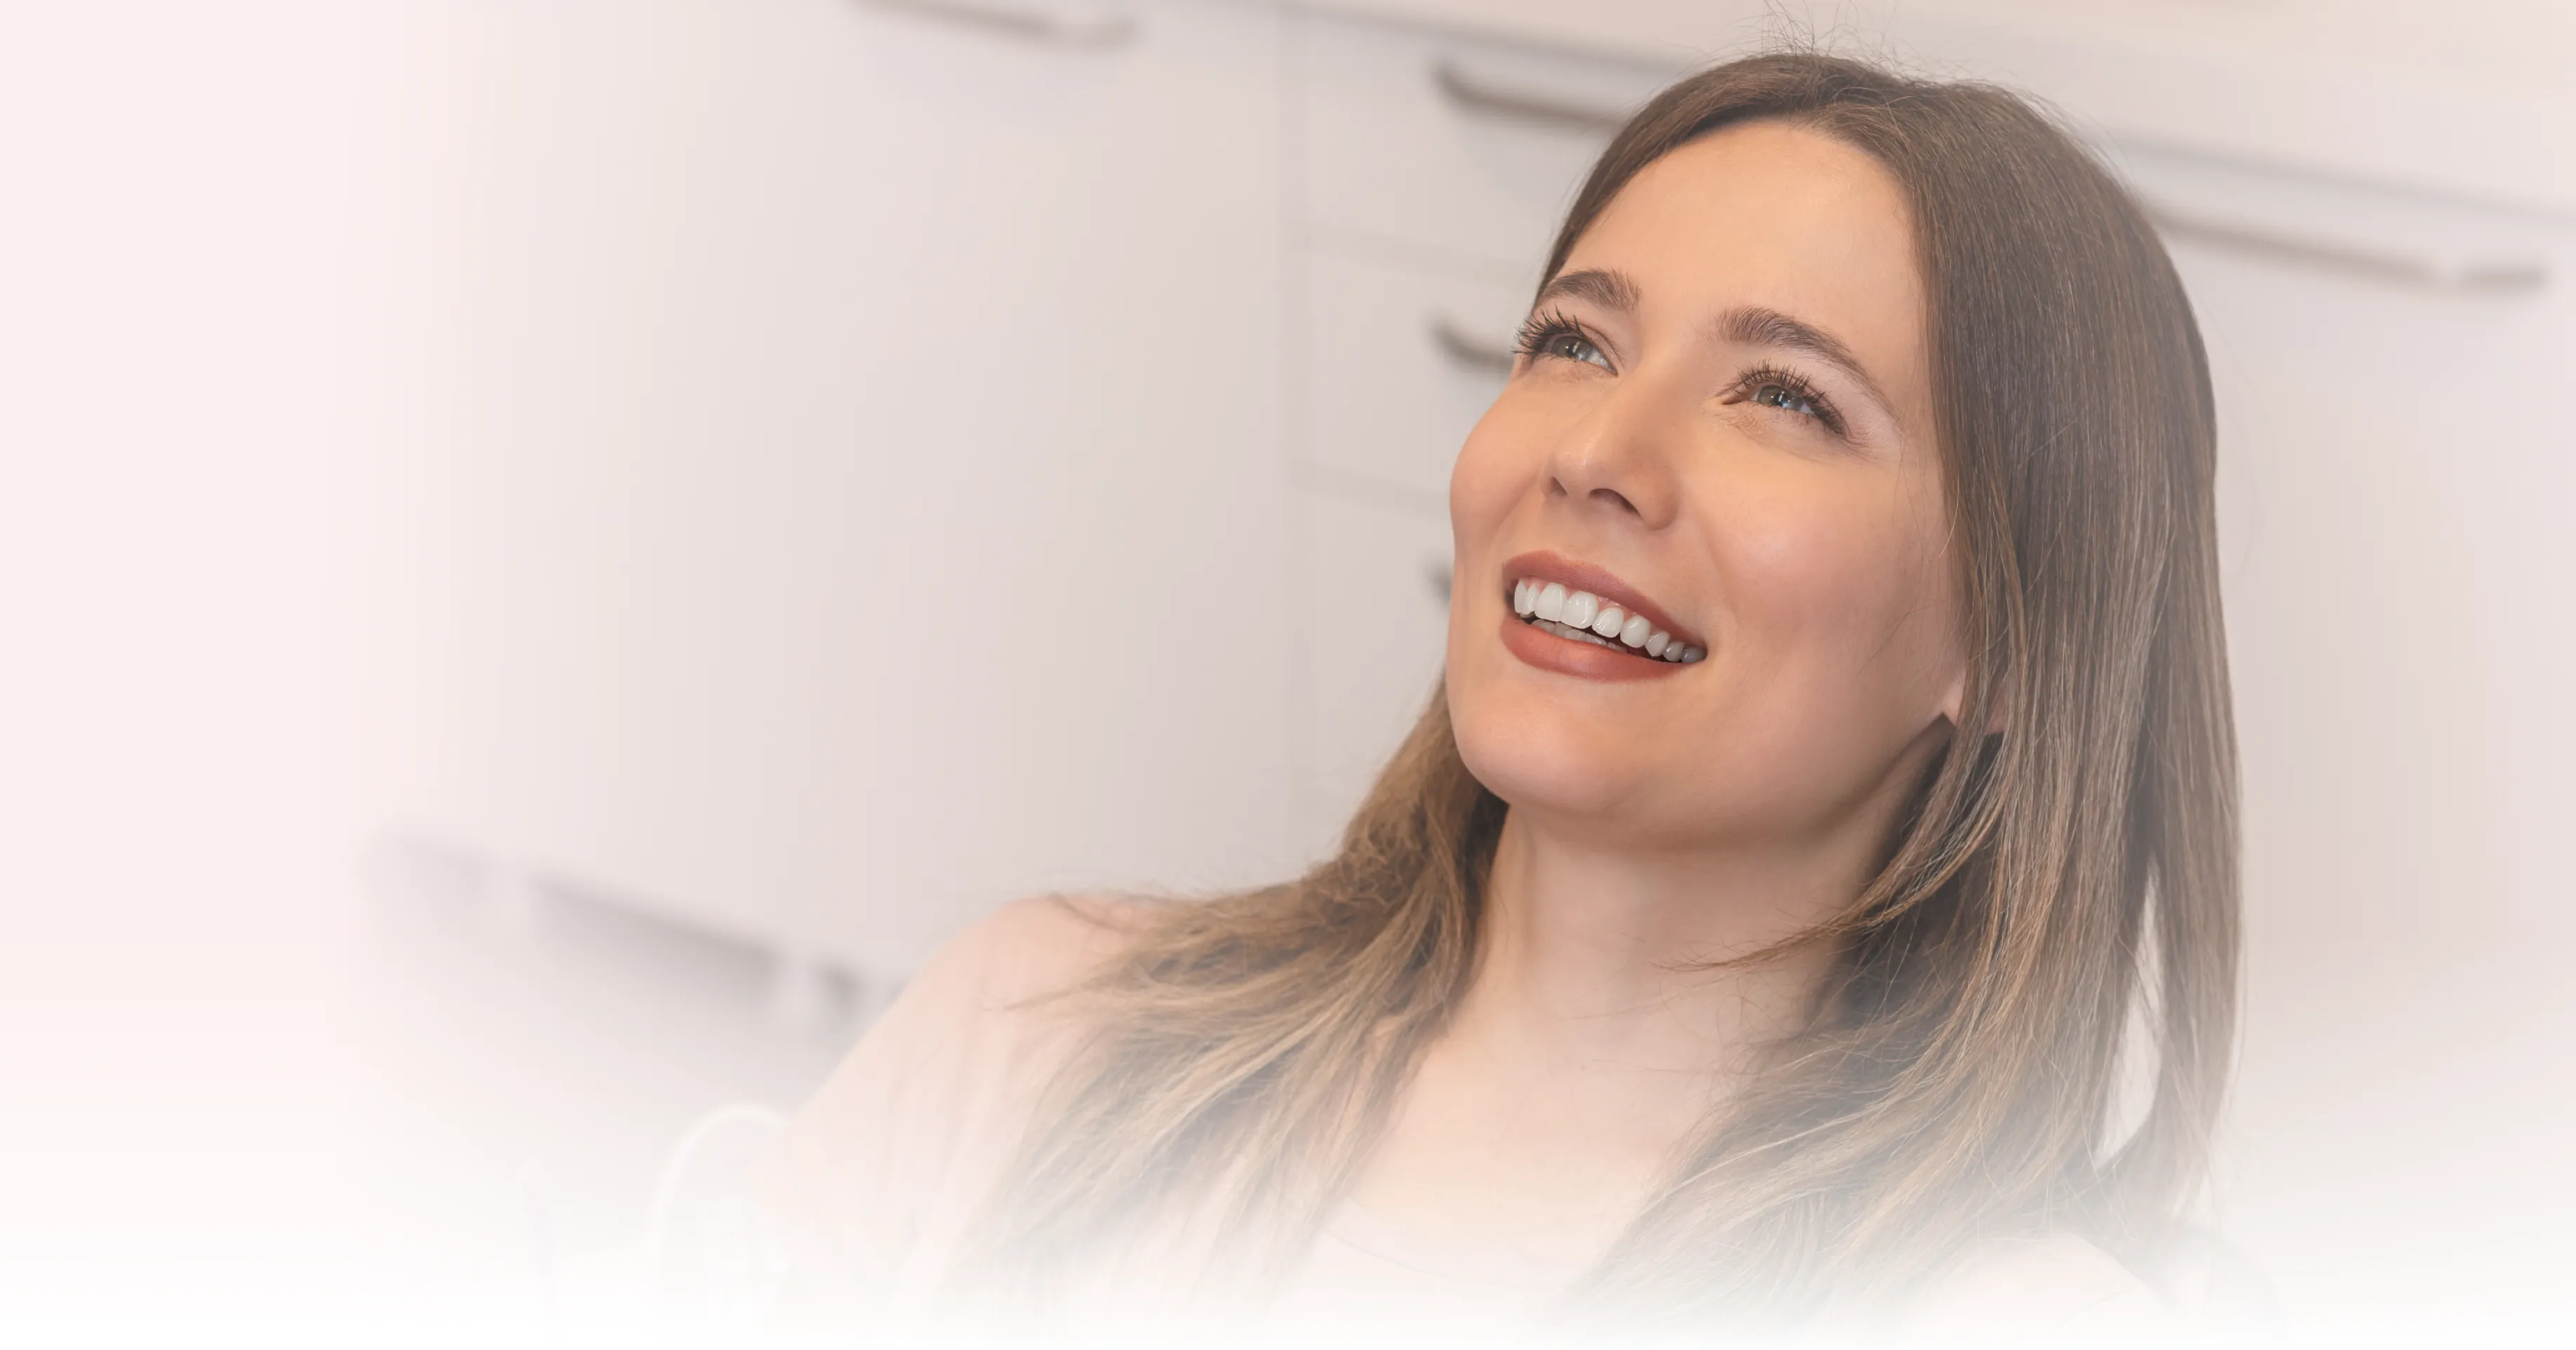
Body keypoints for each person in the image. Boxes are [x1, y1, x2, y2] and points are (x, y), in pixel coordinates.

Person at [760, 49, 2238, 1343]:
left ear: (2010, 639)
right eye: (1572, 342)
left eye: (1786, 396)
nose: (1598, 447)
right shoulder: (1031, 1031)